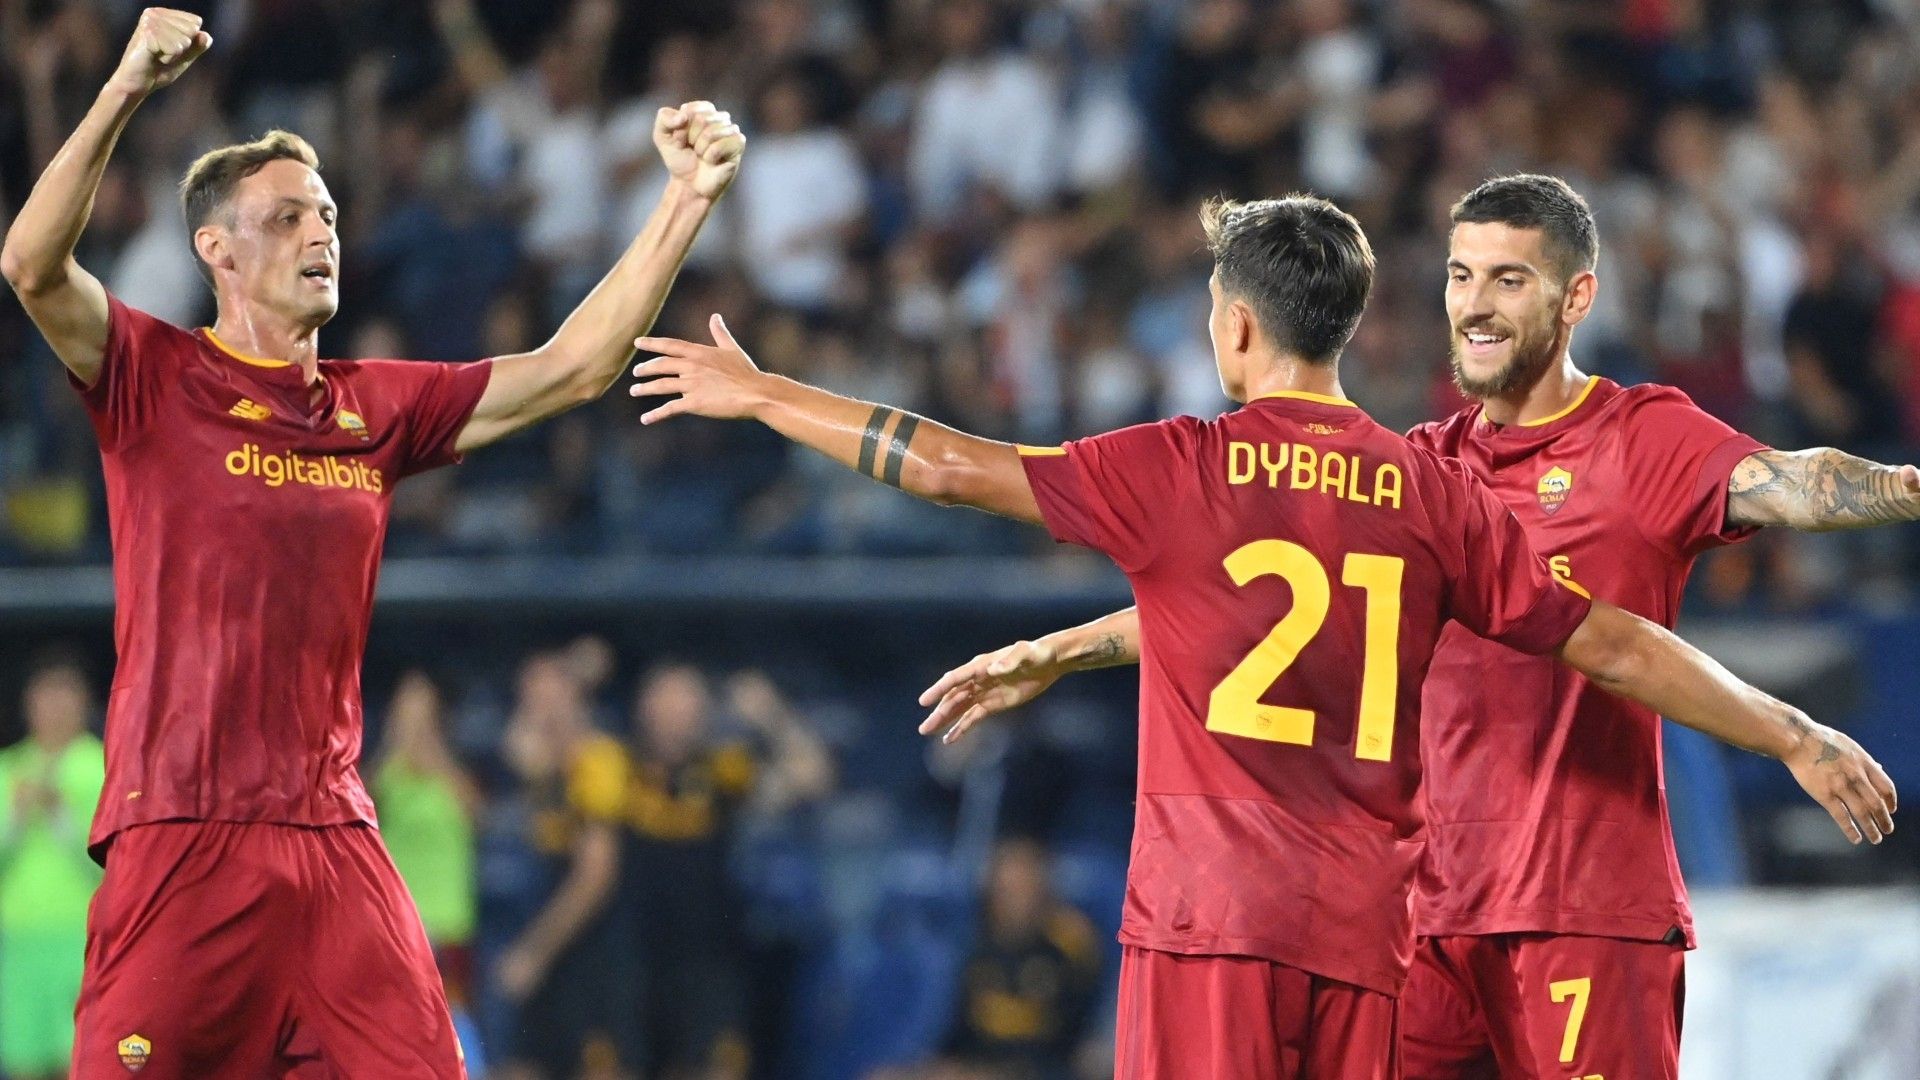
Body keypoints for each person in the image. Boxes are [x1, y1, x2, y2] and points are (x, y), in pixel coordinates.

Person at [628, 192, 1894, 1077]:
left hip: (1210, 918)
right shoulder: (1431, 489)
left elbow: (951, 467)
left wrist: (763, 393)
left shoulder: (1183, 468)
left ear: (1236, 327)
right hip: (1370, 929)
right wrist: (1789, 730)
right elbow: (1606, 640)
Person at [0, 8, 743, 1077]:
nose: (321, 234)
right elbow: (30, 263)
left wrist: (684, 201)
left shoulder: (374, 408)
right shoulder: (156, 378)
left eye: (330, 215)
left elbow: (576, 366)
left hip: (338, 839)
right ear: (217, 248)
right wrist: (124, 86)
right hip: (185, 836)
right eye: (290, 215)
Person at [0, 650, 106, 1080]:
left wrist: (63, 818)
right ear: (29, 703)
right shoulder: (8, 768)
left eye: (66, 694)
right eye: (46, 695)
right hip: (20, 941)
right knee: (25, 1062)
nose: (56, 706)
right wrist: (17, 818)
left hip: (83, 940)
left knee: (79, 1060)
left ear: (85, 702)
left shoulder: (104, 767)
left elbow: (113, 866)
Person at [939, 839, 1103, 1080]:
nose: (1018, 901)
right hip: (974, 1066)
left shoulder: (1067, 949)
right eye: (1009, 889)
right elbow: (953, 1031)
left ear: (1044, 892)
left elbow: (1076, 1039)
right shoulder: (972, 948)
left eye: (1026, 888)